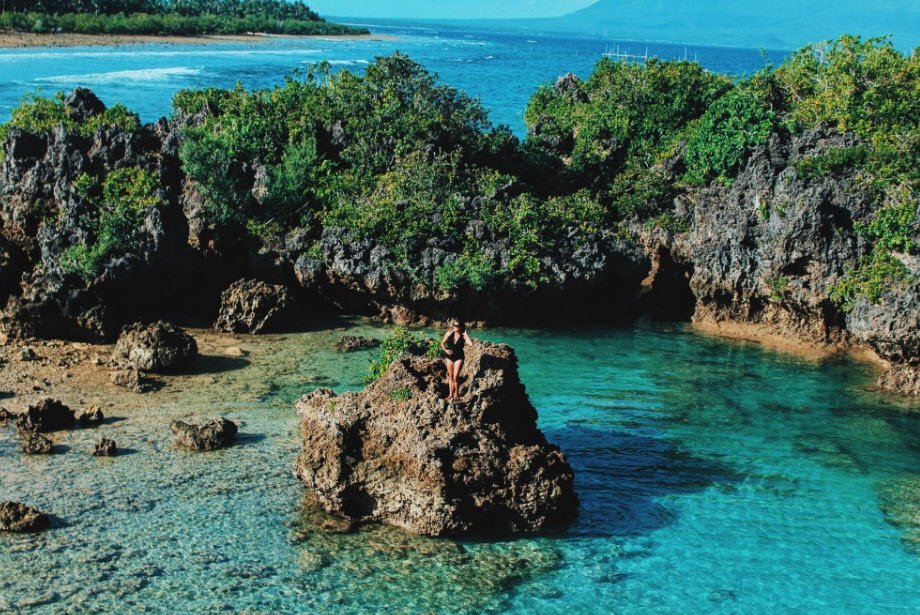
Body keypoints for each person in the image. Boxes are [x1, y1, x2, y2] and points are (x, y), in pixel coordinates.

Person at [440, 319, 473, 401]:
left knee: (455, 377)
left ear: (461, 327)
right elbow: (442, 343)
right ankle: (451, 395)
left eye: (456, 326)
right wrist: (446, 350)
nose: (454, 327)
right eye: (454, 325)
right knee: (450, 376)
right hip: (449, 357)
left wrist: (466, 334)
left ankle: (457, 395)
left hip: (459, 357)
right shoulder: (449, 333)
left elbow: (471, 344)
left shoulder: (463, 336)